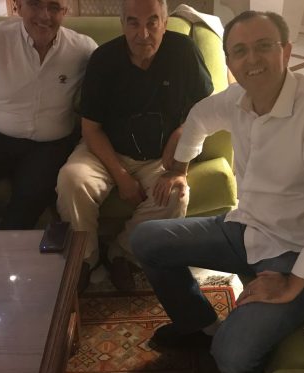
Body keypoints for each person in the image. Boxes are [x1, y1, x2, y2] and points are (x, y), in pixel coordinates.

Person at [130, 11, 304, 373]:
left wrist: (292, 283)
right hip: (247, 227)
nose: (252, 59)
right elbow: (199, 117)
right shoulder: (236, 100)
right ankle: (197, 325)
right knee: (146, 239)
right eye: (239, 51)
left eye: (264, 46)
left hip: (303, 251)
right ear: (230, 62)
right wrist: (180, 167)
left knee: (232, 354)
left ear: (286, 51)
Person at [56, 0, 213, 292]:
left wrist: (180, 135)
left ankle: (122, 253)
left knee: (176, 195)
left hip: (160, 157)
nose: (143, 34)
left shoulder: (184, 51)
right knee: (72, 179)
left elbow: (204, 109)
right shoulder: (103, 59)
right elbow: (91, 129)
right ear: (122, 25)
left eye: (152, 22)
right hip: (107, 151)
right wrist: (121, 176)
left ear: (165, 23)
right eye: (133, 23)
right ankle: (86, 257)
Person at [0, 0, 97, 230]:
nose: (45, 15)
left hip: (51, 145)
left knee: (32, 194)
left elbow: (109, 88)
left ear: (65, 12)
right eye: (35, 4)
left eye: (54, 7)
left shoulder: (84, 49)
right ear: (18, 6)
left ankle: (5, 248)